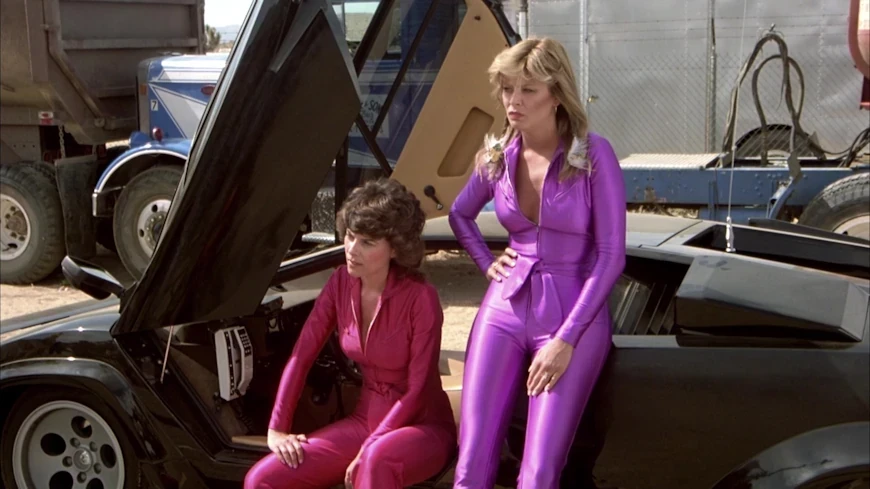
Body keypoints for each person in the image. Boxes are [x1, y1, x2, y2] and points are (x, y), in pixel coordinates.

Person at [448, 37, 626, 488]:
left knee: (539, 473)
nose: (514, 101)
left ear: (556, 94)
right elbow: (459, 214)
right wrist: (485, 261)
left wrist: (566, 340)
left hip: (572, 314)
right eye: (507, 88)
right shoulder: (498, 156)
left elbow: (611, 257)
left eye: (528, 89)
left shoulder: (594, 154)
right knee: (470, 463)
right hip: (503, 307)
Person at [245, 178, 457, 489]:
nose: (351, 249)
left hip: (423, 427)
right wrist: (277, 428)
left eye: (367, 242)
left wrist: (371, 445)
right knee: (261, 480)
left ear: (395, 248)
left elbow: (418, 390)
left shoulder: (421, 297)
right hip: (365, 421)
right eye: (350, 236)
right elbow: (302, 356)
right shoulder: (340, 282)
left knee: (376, 460)